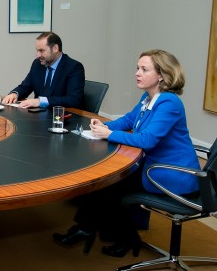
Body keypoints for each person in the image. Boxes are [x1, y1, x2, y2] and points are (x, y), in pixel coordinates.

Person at [52, 49, 200, 258]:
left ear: (162, 75)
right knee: (103, 181)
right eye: (137, 68)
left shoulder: (169, 103)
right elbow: (129, 120)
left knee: (109, 186)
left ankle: (122, 236)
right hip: (152, 167)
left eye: (144, 69)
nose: (137, 73)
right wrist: (103, 125)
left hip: (172, 175)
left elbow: (148, 140)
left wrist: (109, 134)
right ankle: (89, 229)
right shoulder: (148, 97)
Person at [1, 32, 85, 108]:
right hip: (37, 116)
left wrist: (40, 101)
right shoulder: (37, 64)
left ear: (55, 48)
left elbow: (74, 99)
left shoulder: (73, 67)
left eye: (41, 51)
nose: (37, 55)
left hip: (60, 118)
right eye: (37, 51)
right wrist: (15, 94)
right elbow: (25, 87)